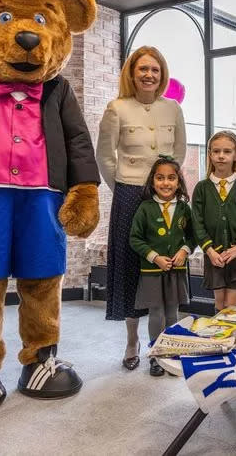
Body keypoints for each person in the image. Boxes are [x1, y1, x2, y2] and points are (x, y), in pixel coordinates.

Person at [96, 46, 187, 370]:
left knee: (164, 269)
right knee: (130, 269)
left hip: (164, 194)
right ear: (132, 73)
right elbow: (105, 158)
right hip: (129, 194)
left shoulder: (172, 108)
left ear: (162, 75)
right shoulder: (117, 108)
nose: (149, 75)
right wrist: (123, 188)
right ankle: (133, 340)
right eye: (143, 69)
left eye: (155, 70)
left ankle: (165, 342)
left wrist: (166, 187)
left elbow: (178, 153)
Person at [129, 156, 195, 377]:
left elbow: (193, 236)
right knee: (156, 313)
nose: (165, 183)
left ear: (178, 182)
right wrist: (154, 256)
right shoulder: (145, 208)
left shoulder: (185, 208)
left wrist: (184, 251)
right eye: (160, 178)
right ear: (152, 181)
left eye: (171, 178)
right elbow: (135, 239)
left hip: (175, 271)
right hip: (152, 272)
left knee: (172, 313)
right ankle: (156, 356)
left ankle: (172, 353)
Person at [192, 131, 236, 312]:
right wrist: (209, 250)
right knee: (219, 303)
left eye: (227, 151)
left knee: (232, 305)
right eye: (216, 151)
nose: (221, 156)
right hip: (213, 254)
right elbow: (197, 222)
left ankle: (232, 339)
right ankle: (219, 339)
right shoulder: (202, 188)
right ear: (210, 154)